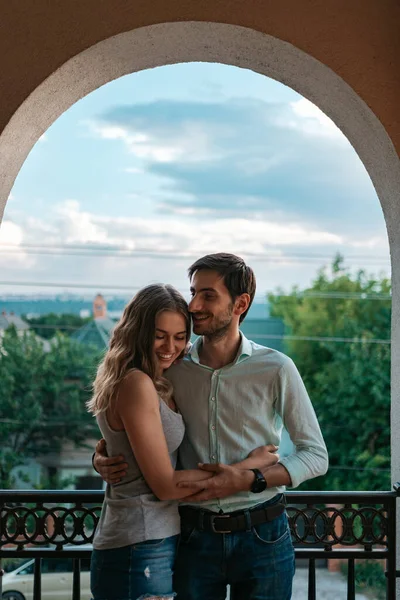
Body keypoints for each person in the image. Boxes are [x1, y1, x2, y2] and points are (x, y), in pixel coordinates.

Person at [94, 253, 329, 600]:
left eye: (208, 295)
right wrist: (101, 456)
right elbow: (126, 424)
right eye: (193, 292)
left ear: (240, 303)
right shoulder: (170, 367)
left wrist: (253, 479)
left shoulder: (276, 368)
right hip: (192, 537)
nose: (193, 305)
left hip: (263, 533)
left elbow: (315, 456)